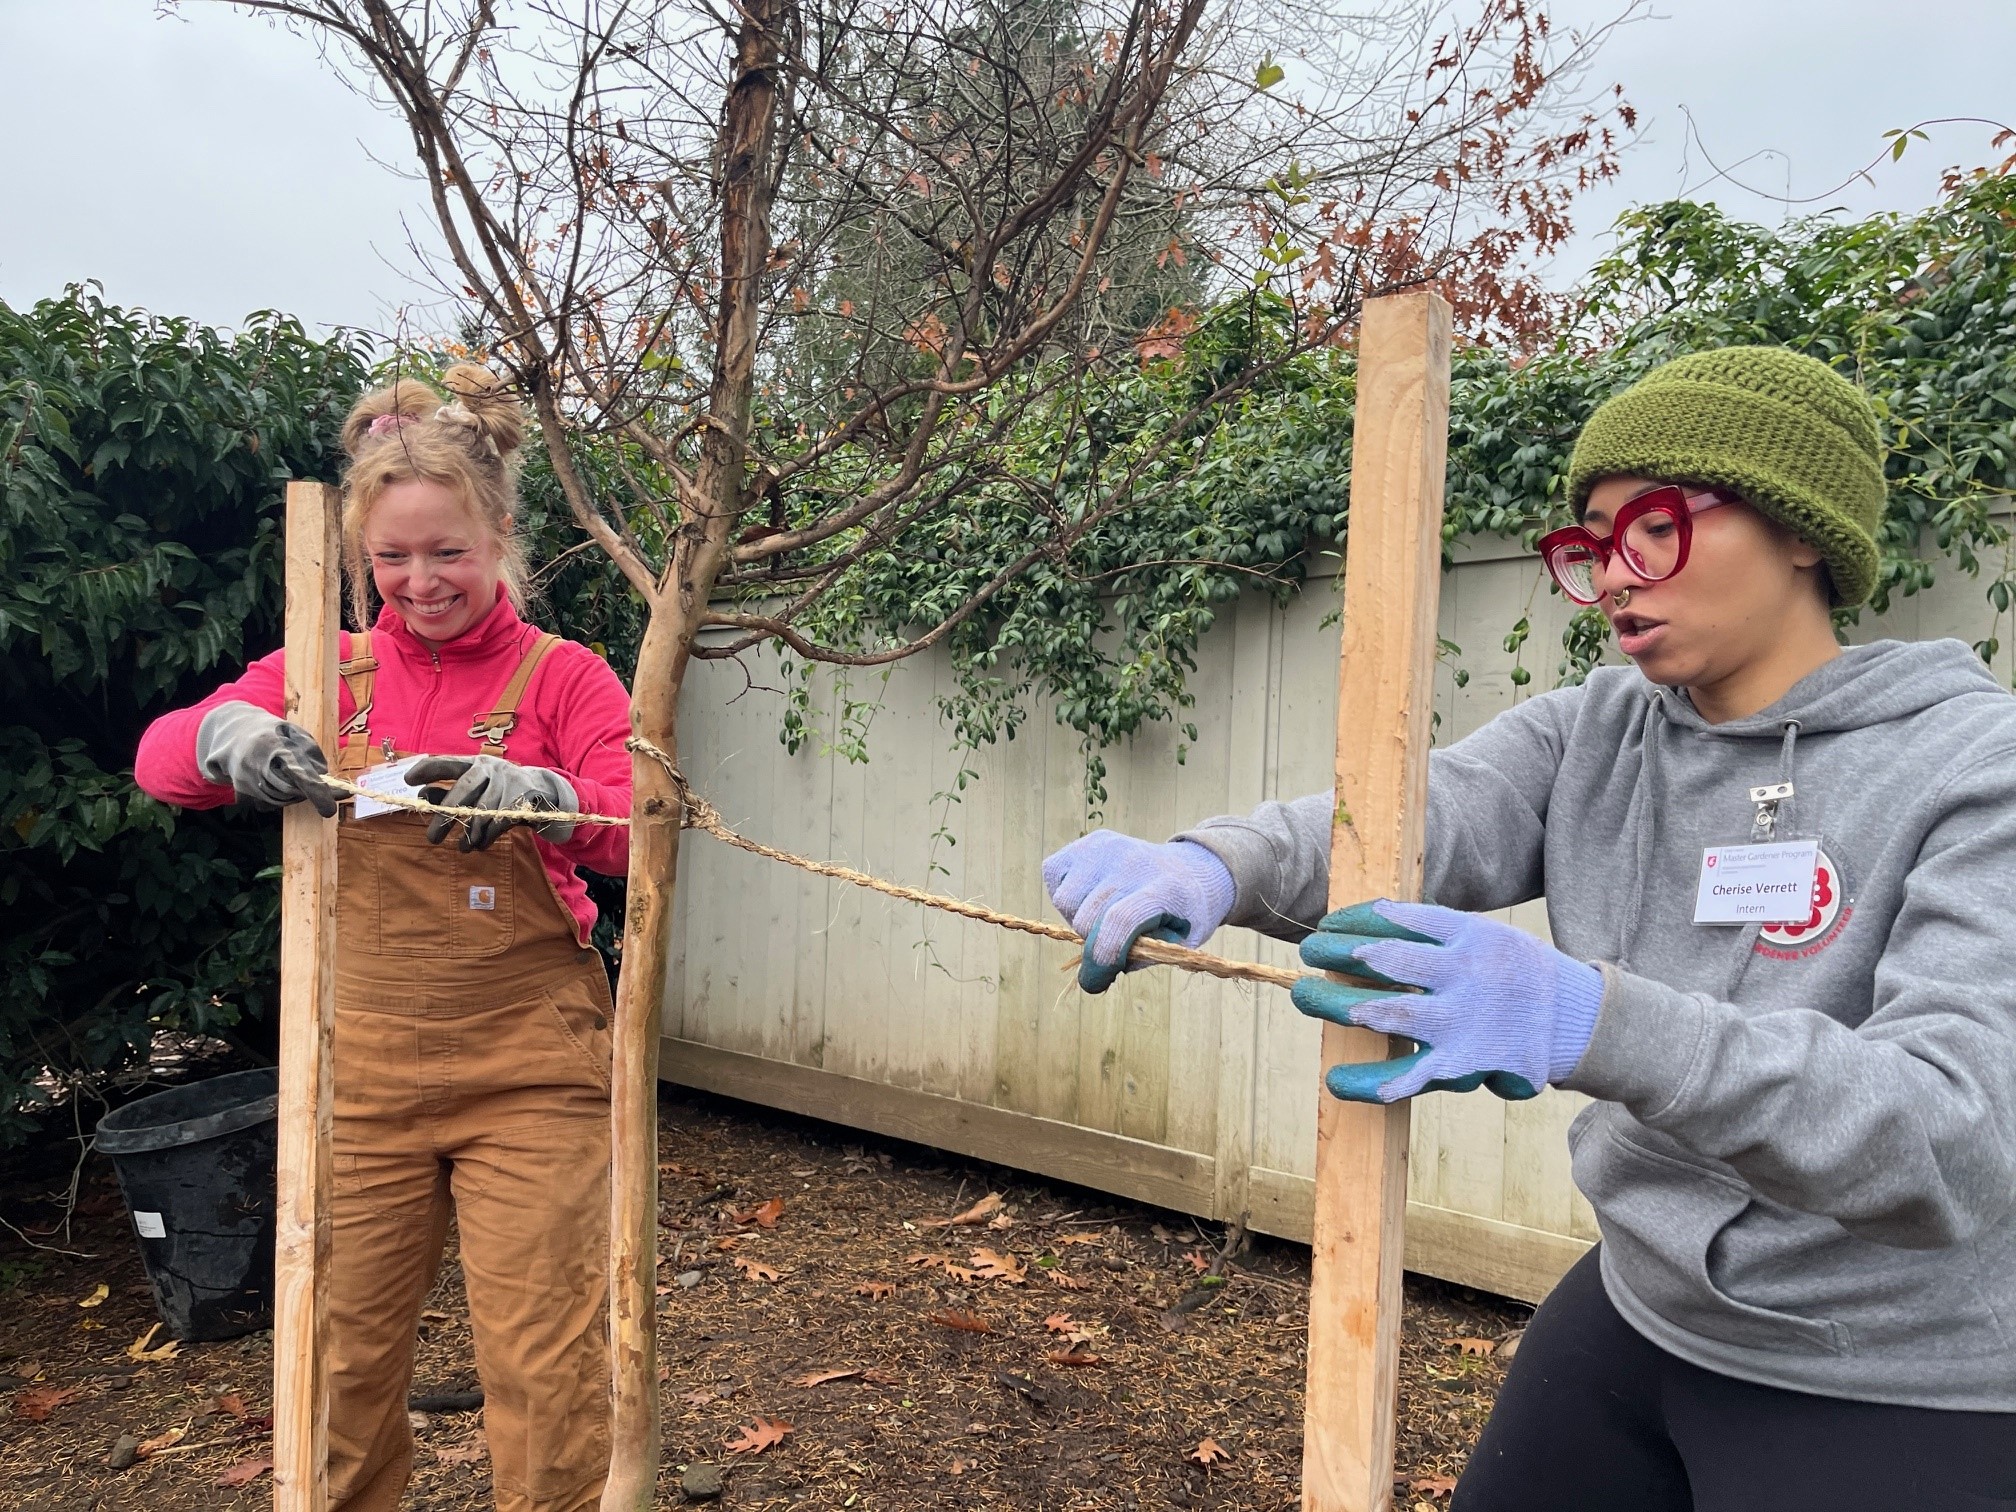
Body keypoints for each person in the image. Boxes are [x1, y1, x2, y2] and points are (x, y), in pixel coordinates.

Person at [1043, 348, 2016, 1510]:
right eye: (1590, 544)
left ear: (1801, 530)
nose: (1611, 574)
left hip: (1901, 1368)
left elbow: (1955, 1135)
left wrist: (1587, 1019)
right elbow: (1417, 818)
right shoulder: (1596, 734)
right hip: (1644, 1304)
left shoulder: (1975, 767)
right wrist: (1215, 862)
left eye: (1650, 527)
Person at [136, 366, 633, 1512]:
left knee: (544, 1364)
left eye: (447, 552)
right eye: (392, 559)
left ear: (502, 536)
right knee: (339, 1359)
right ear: (359, 557)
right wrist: (227, 733)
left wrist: (552, 792)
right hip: (352, 1072)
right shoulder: (327, 675)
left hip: (532, 1069)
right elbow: (160, 760)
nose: (419, 583)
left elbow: (636, 832)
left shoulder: (568, 676)